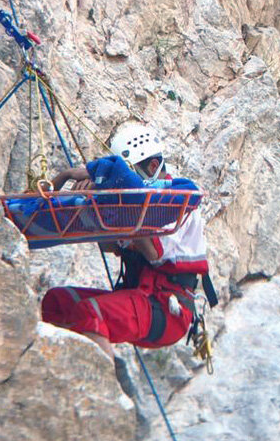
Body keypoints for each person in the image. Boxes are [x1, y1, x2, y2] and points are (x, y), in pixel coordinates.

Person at [40, 123, 210, 360]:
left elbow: (153, 254)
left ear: (152, 166)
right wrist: (97, 202)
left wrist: (124, 205)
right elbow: (109, 246)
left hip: (166, 310)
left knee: (91, 312)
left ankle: (105, 387)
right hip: (140, 297)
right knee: (58, 302)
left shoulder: (177, 203)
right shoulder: (137, 202)